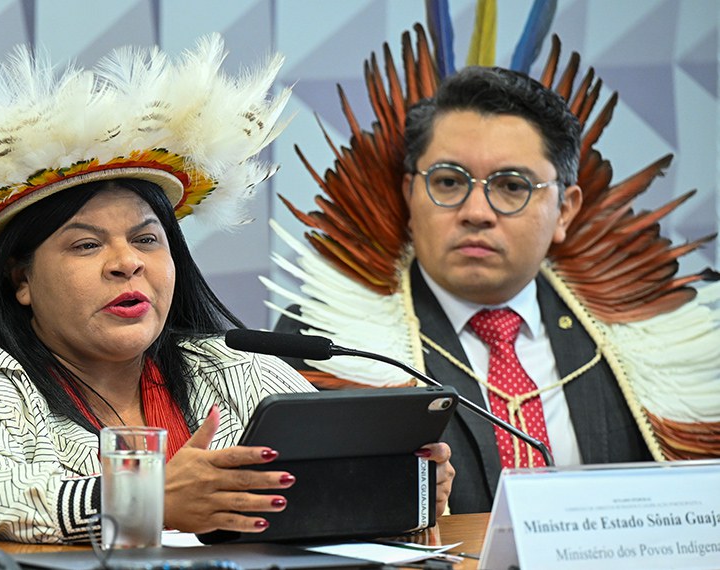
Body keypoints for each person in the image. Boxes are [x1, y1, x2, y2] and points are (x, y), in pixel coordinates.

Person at [0, 36, 454, 544]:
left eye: (147, 240)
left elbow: (314, 503)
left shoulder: (230, 367)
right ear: (20, 279)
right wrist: (147, 497)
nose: (127, 264)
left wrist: (394, 485)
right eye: (85, 245)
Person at [269, 59, 720, 514]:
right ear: (409, 194)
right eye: (448, 181)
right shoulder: (323, 347)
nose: (477, 211)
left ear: (565, 210)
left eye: (511, 186)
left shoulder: (642, 343)